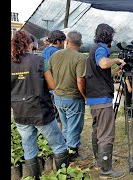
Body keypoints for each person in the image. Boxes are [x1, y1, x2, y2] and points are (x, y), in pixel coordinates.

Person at [11, 30, 69, 179]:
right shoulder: (39, 61)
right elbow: (52, 86)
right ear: (30, 44)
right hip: (40, 112)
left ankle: (35, 178)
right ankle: (63, 175)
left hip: (20, 113)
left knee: (29, 148)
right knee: (59, 145)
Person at [85, 23, 126, 179]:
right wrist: (116, 60)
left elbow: (100, 71)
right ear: (108, 36)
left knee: (97, 131)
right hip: (102, 99)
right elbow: (103, 63)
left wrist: (115, 70)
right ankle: (106, 170)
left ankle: (99, 162)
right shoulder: (101, 49)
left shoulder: (93, 48)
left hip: (94, 99)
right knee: (106, 134)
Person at [49, 31, 86, 162]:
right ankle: (72, 153)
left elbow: (50, 76)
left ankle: (64, 150)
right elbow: (80, 81)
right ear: (80, 43)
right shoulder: (80, 58)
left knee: (64, 125)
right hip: (73, 97)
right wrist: (85, 96)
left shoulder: (55, 55)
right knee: (75, 126)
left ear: (67, 41)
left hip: (58, 96)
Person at [41, 30, 66, 132]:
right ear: (58, 41)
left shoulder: (45, 51)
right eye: (63, 41)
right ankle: (61, 138)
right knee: (60, 117)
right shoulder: (57, 52)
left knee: (53, 115)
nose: (64, 43)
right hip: (56, 87)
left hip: (47, 87)